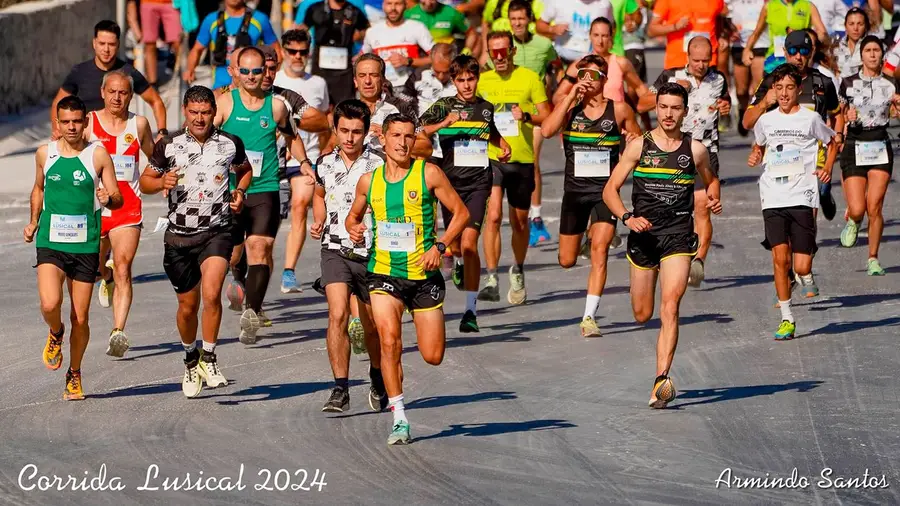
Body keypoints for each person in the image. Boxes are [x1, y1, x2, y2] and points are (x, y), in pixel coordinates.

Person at [345, 113, 470, 445]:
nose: (402, 142)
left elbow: (462, 213)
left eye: (408, 136)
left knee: (433, 355)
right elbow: (353, 217)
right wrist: (353, 228)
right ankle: (399, 417)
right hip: (383, 272)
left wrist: (440, 246)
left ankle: (396, 382)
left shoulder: (428, 173)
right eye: (396, 136)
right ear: (382, 139)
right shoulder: (368, 182)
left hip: (423, 276)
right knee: (389, 342)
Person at [603, 82, 723, 409]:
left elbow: (711, 180)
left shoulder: (695, 150)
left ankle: (661, 380)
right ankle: (660, 373)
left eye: (675, 108)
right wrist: (627, 217)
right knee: (642, 314)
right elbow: (610, 190)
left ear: (685, 111)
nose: (669, 114)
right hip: (643, 236)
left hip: (677, 235)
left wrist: (713, 198)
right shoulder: (638, 147)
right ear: (656, 108)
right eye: (664, 107)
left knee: (670, 305)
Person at [140, 86, 252, 398]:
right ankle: (191, 360)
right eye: (194, 113)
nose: (200, 118)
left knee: (212, 292)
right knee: (188, 307)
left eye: (205, 113)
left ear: (214, 113)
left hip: (216, 232)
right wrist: (161, 181)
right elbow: (144, 181)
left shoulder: (229, 144)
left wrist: (239, 192)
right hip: (178, 237)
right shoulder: (169, 145)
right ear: (186, 113)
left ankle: (210, 357)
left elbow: (245, 171)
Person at [26, 96, 123, 401]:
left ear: (85, 122)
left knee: (80, 316)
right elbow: (39, 188)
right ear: (57, 123)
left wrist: (108, 199)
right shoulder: (45, 154)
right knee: (49, 304)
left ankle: (75, 373)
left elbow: (117, 197)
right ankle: (56, 332)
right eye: (65, 121)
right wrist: (33, 221)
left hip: (85, 245)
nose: (71, 127)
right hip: (51, 242)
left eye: (77, 121)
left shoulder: (98, 155)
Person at [216, 47, 314, 344]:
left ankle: (252, 311)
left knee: (260, 247)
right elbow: (201, 135)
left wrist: (305, 163)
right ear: (235, 71)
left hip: (265, 187)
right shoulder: (224, 103)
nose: (250, 77)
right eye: (244, 71)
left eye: (256, 71)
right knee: (235, 253)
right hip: (229, 189)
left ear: (265, 72)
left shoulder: (276, 107)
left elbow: (292, 136)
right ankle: (238, 274)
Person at [541, 55, 641, 337]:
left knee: (600, 251)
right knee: (566, 260)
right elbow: (548, 130)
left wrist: (633, 141)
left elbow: (638, 144)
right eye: (582, 73)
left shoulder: (619, 110)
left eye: (593, 75)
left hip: (605, 193)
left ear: (605, 80)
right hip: (574, 192)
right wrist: (571, 93)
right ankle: (584, 234)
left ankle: (588, 318)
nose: (587, 79)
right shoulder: (570, 110)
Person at [418, 54, 511, 332]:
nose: (467, 85)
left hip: (479, 184)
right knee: (456, 245)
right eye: (461, 80)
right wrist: (442, 124)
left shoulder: (485, 107)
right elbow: (420, 128)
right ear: (453, 81)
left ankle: (470, 311)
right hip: (450, 185)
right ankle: (456, 261)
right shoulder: (445, 104)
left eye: (471, 79)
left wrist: (503, 144)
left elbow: (490, 131)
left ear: (477, 79)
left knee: (470, 244)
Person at [310, 100, 388, 413]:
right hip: (334, 249)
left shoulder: (381, 165)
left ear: (366, 131)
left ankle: (376, 375)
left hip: (372, 254)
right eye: (344, 130)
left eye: (357, 131)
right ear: (336, 129)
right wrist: (318, 219)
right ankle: (340, 388)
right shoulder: (324, 163)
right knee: (337, 314)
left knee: (371, 328)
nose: (350, 138)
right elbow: (319, 196)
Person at [747, 64, 836, 339]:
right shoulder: (766, 120)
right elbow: (759, 144)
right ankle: (787, 317)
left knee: (801, 265)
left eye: (789, 88)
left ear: (799, 90)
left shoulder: (810, 119)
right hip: (772, 194)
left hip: (802, 194)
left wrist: (827, 168)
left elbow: (831, 142)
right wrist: (755, 155)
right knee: (779, 259)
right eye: (779, 88)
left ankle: (805, 275)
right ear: (773, 90)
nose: (784, 94)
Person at [638, 37, 730, 287]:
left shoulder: (719, 78)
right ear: (687, 56)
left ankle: (698, 261)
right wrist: (671, 87)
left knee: (702, 208)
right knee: (670, 207)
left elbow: (725, 103)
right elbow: (642, 103)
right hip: (673, 149)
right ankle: (664, 254)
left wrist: (725, 107)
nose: (701, 65)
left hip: (706, 151)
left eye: (706, 60)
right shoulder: (670, 75)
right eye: (696, 60)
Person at [476, 31, 551, 305]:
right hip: (492, 157)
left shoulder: (530, 78)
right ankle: (492, 277)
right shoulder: (482, 81)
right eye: (493, 52)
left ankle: (517, 269)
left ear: (512, 51)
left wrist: (527, 115)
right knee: (493, 216)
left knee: (520, 223)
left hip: (522, 160)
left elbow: (547, 114)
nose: (498, 57)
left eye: (503, 51)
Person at [742, 30, 842, 232]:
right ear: (785, 52)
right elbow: (747, 123)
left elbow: (837, 115)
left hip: (814, 158)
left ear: (811, 52)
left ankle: (823, 195)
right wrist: (764, 103)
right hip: (780, 160)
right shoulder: (772, 82)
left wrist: (838, 137)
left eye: (804, 51)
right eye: (794, 51)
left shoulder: (823, 82)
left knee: (806, 226)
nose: (799, 56)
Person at [85, 71, 155, 358]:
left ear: (131, 95)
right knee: (97, 266)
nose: (117, 97)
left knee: (125, 266)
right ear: (103, 92)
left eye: (123, 92)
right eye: (112, 91)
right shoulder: (88, 123)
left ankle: (118, 331)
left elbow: (156, 158)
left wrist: (161, 180)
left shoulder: (138, 124)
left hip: (127, 207)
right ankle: (106, 276)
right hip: (93, 208)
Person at [480, 0, 561, 247]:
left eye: (521, 19)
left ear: (529, 20)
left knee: (532, 159)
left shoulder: (543, 44)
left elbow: (556, 66)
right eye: (513, 19)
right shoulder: (498, 46)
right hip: (504, 113)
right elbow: (485, 67)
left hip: (530, 111)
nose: (517, 23)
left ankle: (535, 216)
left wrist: (552, 91)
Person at [272, 30, 332, 294]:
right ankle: (252, 264)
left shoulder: (318, 83)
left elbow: (325, 123)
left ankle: (288, 271)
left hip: (303, 157)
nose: (298, 57)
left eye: (303, 52)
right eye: (292, 51)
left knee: (299, 205)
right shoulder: (271, 78)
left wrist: (321, 156)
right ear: (283, 52)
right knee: (267, 219)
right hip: (269, 159)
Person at [837, 35, 899, 275]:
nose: (872, 54)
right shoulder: (847, 82)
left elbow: (896, 113)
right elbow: (839, 114)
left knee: (875, 206)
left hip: (879, 144)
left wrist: (897, 108)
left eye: (876, 50)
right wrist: (844, 126)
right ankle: (853, 220)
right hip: (855, 144)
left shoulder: (891, 84)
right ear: (861, 55)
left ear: (882, 55)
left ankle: (873, 258)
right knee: (858, 207)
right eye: (868, 50)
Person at [52, 21, 167, 140]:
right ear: (94, 43)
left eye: (111, 44)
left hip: (118, 142)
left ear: (118, 45)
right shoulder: (79, 72)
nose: (106, 49)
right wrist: (57, 131)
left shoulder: (128, 73)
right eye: (102, 43)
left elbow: (156, 101)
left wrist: (162, 132)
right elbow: (57, 103)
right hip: (85, 142)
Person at [185, 0, 281, 90]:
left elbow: (276, 49)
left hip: (251, 85)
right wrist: (190, 70)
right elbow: (197, 49)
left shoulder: (260, 19)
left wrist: (273, 73)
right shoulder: (211, 20)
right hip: (221, 86)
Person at [295, 0, 370, 105]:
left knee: (344, 107)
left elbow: (367, 30)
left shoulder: (354, 11)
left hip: (344, 73)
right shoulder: (315, 8)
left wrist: (359, 36)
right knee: (318, 104)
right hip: (319, 69)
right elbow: (302, 29)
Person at [352, 54, 421, 155]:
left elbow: (426, 146)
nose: (367, 81)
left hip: (389, 168)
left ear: (383, 79)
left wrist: (389, 136)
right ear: (355, 81)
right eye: (362, 76)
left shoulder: (401, 106)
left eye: (374, 75)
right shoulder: (346, 109)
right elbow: (332, 145)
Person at [361, 0, 436, 92]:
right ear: (383, 6)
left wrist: (408, 61)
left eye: (398, 4)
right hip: (382, 89)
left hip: (411, 87)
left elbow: (437, 58)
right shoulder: (372, 32)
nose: (393, 8)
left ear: (405, 5)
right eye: (389, 4)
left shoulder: (417, 27)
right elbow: (362, 60)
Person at [740, 0, 829, 74]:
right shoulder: (769, 6)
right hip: (774, 61)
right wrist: (747, 49)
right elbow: (757, 32)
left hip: (798, 58)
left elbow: (822, 33)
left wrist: (811, 39)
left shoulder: (808, 5)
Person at [726, 0, 769, 136]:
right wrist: (729, 30)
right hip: (739, 45)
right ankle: (743, 109)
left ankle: (757, 118)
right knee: (741, 90)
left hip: (761, 44)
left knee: (758, 87)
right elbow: (723, 15)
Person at [647, 0, 725, 71]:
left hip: (707, 62)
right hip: (678, 63)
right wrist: (675, 27)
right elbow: (651, 31)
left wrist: (722, 36)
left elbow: (721, 16)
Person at [536, 0, 614, 66]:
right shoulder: (559, 2)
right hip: (562, 62)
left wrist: (608, 45)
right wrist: (552, 29)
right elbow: (539, 26)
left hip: (591, 63)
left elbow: (611, 27)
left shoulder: (604, 4)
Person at [129, 0, 182, 87]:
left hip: (171, 3)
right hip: (148, 3)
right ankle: (152, 82)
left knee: (178, 41)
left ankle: (182, 75)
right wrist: (134, 25)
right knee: (149, 43)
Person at [405, 0, 478, 53]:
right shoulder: (408, 14)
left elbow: (471, 33)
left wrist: (466, 50)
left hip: (446, 55)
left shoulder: (451, 13)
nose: (428, 2)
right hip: (420, 56)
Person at [835, 8, 870, 77]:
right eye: (851, 24)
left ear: (865, 26)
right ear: (845, 26)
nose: (855, 28)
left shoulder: (873, 46)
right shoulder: (835, 47)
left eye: (860, 24)